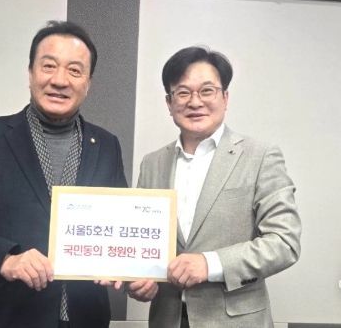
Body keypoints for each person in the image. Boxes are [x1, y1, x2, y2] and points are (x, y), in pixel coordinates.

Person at [0, 20, 128, 328]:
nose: (60, 80)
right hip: (8, 316)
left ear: (88, 83)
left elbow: (120, 222)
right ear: (30, 73)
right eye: (49, 66)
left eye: (75, 70)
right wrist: (5, 260)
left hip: (86, 317)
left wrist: (135, 272)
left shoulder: (107, 145)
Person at [124, 46, 301, 328]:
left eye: (207, 91)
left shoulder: (260, 156)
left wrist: (211, 263)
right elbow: (140, 243)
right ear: (169, 103)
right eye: (183, 92)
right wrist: (137, 280)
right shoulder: (152, 163)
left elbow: (284, 242)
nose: (195, 102)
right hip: (167, 319)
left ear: (225, 97)